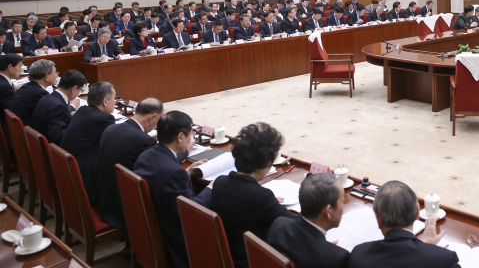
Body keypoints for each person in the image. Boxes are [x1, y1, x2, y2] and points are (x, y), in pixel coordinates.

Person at [133, 111, 210, 268]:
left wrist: (186, 173)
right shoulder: (174, 173)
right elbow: (191, 212)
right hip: (173, 241)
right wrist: (210, 188)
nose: (191, 139)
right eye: (191, 134)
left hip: (145, 230)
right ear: (180, 137)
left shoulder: (145, 156)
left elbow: (161, 182)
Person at [210, 123, 293, 268]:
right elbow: (295, 225)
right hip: (251, 262)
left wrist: (268, 203)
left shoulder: (220, 183)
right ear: (266, 163)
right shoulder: (261, 197)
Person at [349, 181, 457, 268]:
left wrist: (426, 247)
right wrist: (427, 248)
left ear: (378, 218)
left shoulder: (359, 255)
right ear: (417, 212)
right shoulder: (444, 260)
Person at [96, 98, 163, 230]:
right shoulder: (144, 141)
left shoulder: (111, 128)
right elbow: (161, 166)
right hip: (125, 211)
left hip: (104, 200)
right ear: (152, 117)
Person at [268, 173, 349, 268]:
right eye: (342, 201)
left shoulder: (278, 224)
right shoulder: (337, 259)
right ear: (329, 210)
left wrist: (325, 248)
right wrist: (328, 252)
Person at [60, 81, 117, 204]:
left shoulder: (82, 110)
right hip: (85, 177)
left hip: (68, 170)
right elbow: (114, 145)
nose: (116, 102)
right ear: (105, 101)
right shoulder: (105, 118)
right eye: (114, 98)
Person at [31, 69, 86, 145]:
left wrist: (69, 115)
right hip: (50, 148)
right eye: (80, 90)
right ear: (74, 89)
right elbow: (58, 137)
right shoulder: (58, 106)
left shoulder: (46, 97)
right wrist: (76, 121)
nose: (79, 93)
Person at [10, 59, 57, 126]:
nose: (56, 75)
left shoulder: (26, 86)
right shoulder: (40, 94)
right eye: (55, 73)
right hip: (29, 130)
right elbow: (52, 115)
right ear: (47, 77)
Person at [0, 54, 23, 147]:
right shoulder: (3, 86)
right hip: (7, 131)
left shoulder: (3, 82)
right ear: (10, 67)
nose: (21, 70)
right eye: (20, 66)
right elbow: (14, 109)